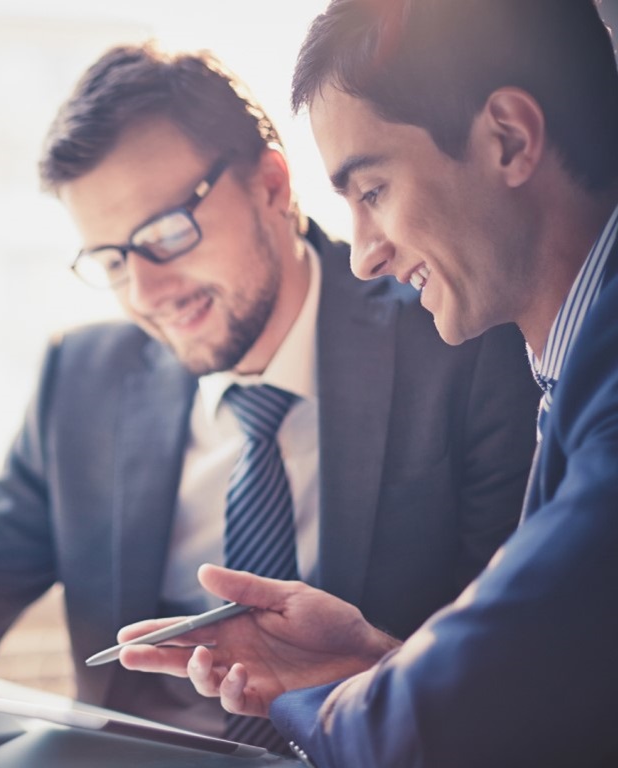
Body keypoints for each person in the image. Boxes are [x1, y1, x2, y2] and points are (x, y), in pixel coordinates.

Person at [0, 43, 540, 751]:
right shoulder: (84, 375)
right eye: (113, 260)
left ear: (273, 186)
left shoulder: (457, 340)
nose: (146, 294)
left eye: (166, 235)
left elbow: (517, 664)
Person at [115, 1, 618, 765]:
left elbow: (431, 724)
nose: (364, 256)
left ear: (509, 140)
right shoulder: (570, 366)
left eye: (373, 191)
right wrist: (376, 665)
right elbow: (553, 687)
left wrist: (329, 699)